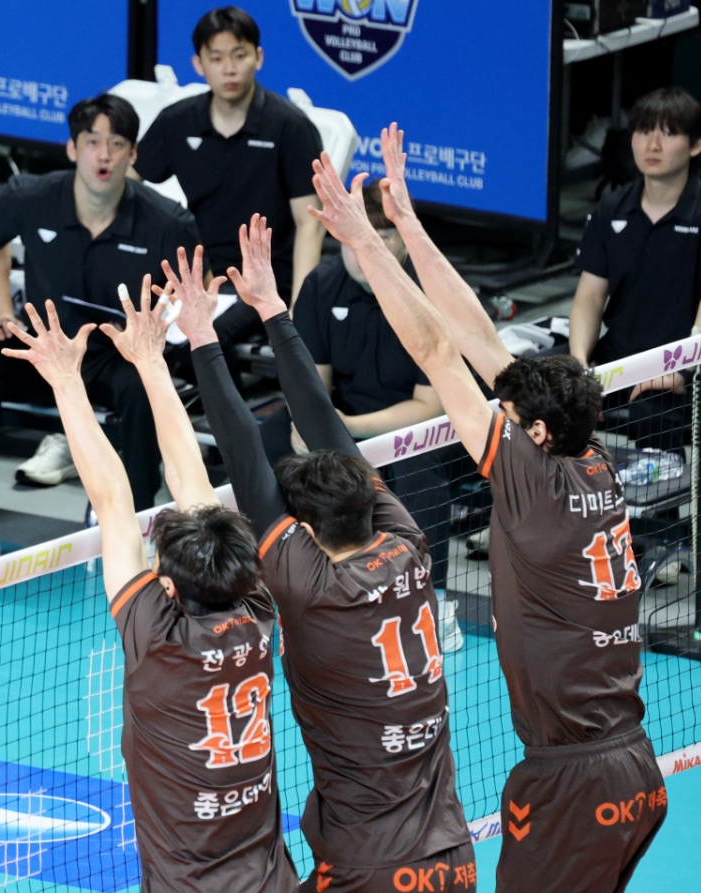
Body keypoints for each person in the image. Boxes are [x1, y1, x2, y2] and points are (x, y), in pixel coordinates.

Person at [309, 127, 665, 892]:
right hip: (633, 766)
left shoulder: (531, 485)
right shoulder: (589, 457)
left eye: (507, 411)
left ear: (532, 434)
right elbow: (476, 335)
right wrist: (406, 224)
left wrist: (363, 242)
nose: (495, 409)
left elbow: (439, 352)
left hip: (575, 781)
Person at [167, 221, 474, 891]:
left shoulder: (310, 585)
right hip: (453, 856)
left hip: (371, 870)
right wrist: (274, 310)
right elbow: (329, 432)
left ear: (304, 528)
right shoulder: (408, 543)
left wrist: (201, 336)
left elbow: (244, 452)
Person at [3, 289, 299, 892]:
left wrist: (66, 380)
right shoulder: (257, 611)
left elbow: (112, 498)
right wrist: (151, 362)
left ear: (165, 586)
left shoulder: (157, 635)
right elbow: (192, 488)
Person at [0, 94, 203, 570]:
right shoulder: (30, 196)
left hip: (118, 354)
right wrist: (1, 311)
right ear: (72, 149)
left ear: (133, 154)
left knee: (144, 389)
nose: (104, 155)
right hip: (48, 349)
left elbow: (193, 288)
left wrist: (157, 327)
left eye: (117, 144)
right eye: (92, 142)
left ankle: (132, 524)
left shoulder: (168, 221)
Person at [264, 183, 460, 651]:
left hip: (421, 429)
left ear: (400, 240)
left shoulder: (428, 289)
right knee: (269, 439)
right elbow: (310, 383)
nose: (362, 249)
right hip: (343, 421)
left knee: (419, 466)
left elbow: (430, 405)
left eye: (380, 236)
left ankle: (434, 599)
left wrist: (345, 431)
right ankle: (281, 584)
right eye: (352, 237)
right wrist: (307, 425)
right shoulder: (321, 285)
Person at [132, 6, 323, 383]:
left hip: (264, 278)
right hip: (195, 273)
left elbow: (310, 224)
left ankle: (231, 421)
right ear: (198, 64)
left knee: (203, 341)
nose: (229, 69)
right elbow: (126, 185)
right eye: (216, 58)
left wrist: (299, 307)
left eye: (239, 55)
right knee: (131, 327)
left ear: (258, 58)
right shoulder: (178, 121)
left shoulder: (290, 128)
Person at [569, 86, 701, 451]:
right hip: (620, 359)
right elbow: (589, 298)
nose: (653, 145)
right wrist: (580, 362)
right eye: (644, 131)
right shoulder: (612, 208)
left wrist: (684, 368)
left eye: (669, 133)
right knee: (544, 386)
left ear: (696, 145)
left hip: (685, 363)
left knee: (651, 413)